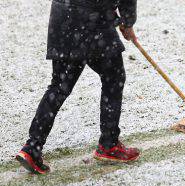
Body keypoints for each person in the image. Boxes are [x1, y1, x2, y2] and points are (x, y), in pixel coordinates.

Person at [16, 0, 140, 174]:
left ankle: (32, 147)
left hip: (63, 17)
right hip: (93, 20)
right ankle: (109, 144)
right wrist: (127, 22)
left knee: (59, 86)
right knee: (114, 77)